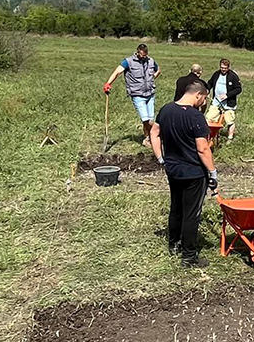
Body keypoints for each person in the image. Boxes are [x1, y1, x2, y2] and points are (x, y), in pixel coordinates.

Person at [151, 81, 219, 267]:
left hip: (173, 170)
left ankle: (174, 245)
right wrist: (212, 172)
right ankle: (189, 256)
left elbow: (154, 132)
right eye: (204, 98)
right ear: (198, 95)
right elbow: (203, 148)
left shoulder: (166, 110)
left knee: (177, 208)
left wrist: (160, 158)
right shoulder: (195, 117)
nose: (203, 102)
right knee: (191, 214)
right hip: (194, 173)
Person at [104, 43, 161, 145]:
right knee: (145, 119)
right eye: (142, 56)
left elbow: (158, 70)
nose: (144, 57)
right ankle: (148, 138)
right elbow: (117, 72)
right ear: (138, 52)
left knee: (151, 120)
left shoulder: (151, 61)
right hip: (137, 94)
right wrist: (108, 83)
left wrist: (152, 79)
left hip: (150, 93)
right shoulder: (128, 62)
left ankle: (150, 138)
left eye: (145, 55)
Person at [205, 58, 243, 143]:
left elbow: (238, 89)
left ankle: (230, 138)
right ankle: (210, 136)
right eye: (222, 68)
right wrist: (207, 90)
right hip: (216, 102)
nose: (223, 70)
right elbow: (210, 83)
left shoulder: (233, 76)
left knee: (230, 121)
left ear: (228, 68)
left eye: (225, 68)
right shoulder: (216, 74)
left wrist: (227, 95)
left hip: (229, 104)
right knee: (209, 118)